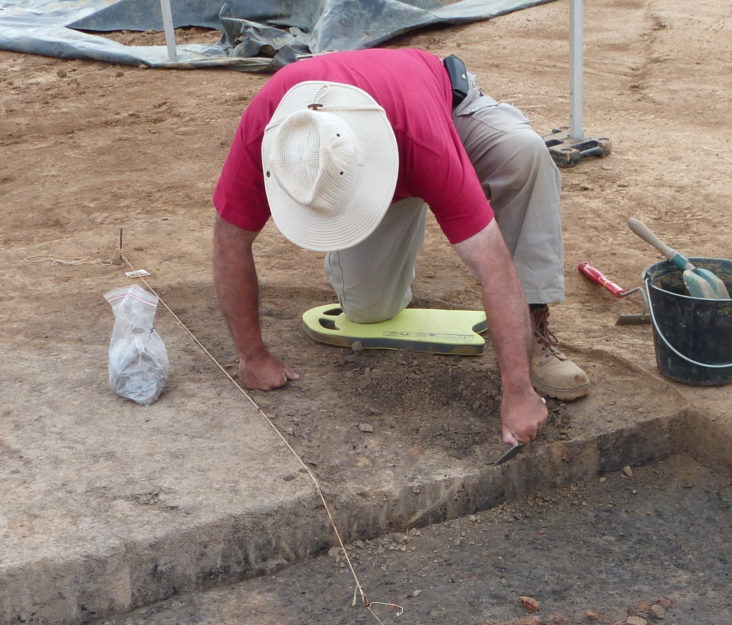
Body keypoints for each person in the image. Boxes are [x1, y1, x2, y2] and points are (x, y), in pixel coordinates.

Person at [212, 47, 591, 448]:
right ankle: (414, 204)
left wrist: (518, 393)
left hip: (442, 113)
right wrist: (251, 356)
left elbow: (493, 265)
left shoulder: (424, 143)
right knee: (370, 310)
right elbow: (229, 240)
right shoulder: (271, 132)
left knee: (523, 152)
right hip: (393, 147)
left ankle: (534, 321)